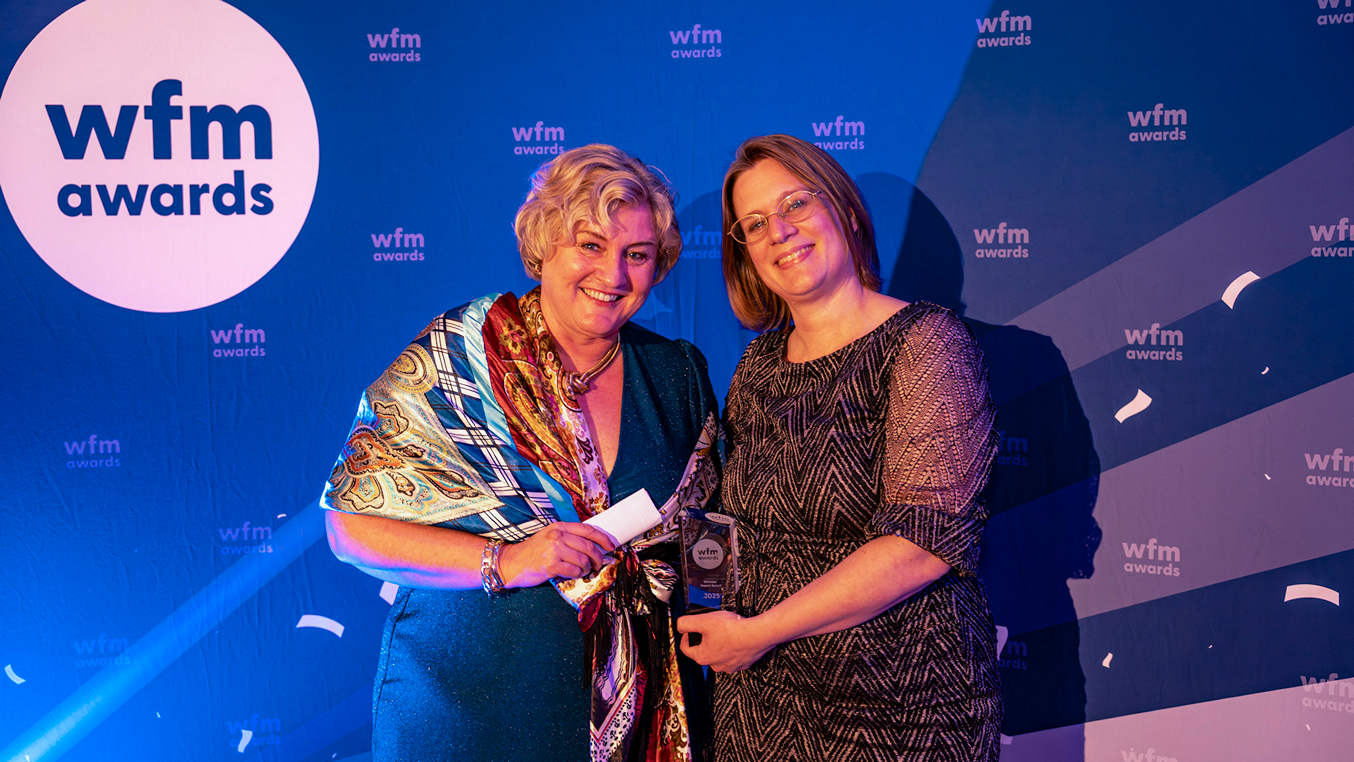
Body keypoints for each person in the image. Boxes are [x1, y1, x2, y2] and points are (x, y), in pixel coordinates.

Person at [322, 144, 719, 761]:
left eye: (637, 254)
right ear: (544, 244)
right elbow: (350, 530)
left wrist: (723, 624)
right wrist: (508, 560)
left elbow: (707, 529)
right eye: (590, 245)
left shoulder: (677, 373)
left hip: (638, 709)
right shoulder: (461, 356)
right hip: (466, 705)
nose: (613, 275)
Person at [676, 134, 1002, 761]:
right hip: (761, 703)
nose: (779, 231)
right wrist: (701, 615)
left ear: (847, 212)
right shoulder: (759, 363)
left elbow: (922, 544)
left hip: (899, 705)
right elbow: (724, 520)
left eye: (796, 204)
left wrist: (758, 633)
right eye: (755, 224)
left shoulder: (926, 343)